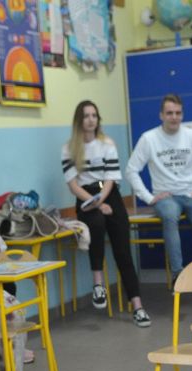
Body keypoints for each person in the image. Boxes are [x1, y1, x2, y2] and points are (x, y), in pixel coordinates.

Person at [61, 100, 150, 327]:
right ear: (79, 121)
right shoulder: (69, 148)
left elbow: (110, 178)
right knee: (97, 223)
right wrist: (97, 205)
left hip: (108, 192)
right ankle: (98, 282)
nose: (91, 119)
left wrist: (102, 200)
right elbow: (73, 185)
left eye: (94, 115)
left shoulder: (107, 144)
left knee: (123, 250)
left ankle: (137, 305)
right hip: (84, 195)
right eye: (86, 116)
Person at [126, 93, 192, 279]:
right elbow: (131, 170)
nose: (174, 117)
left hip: (191, 194)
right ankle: (178, 275)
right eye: (169, 113)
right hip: (166, 197)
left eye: (178, 113)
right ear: (161, 115)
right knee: (170, 216)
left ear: (182, 114)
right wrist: (148, 198)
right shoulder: (148, 138)